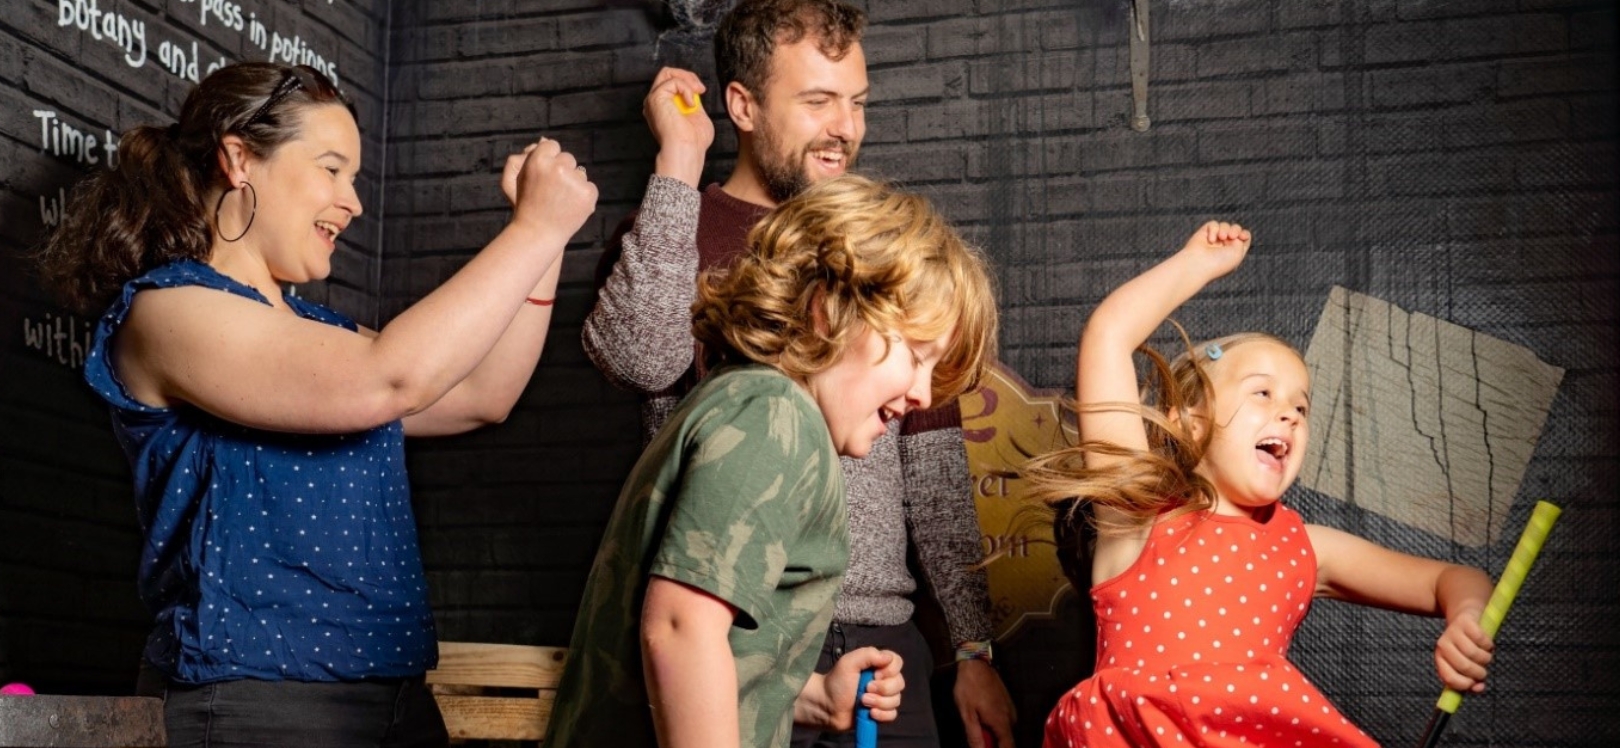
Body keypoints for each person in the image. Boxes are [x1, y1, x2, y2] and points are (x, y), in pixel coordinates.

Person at [35, 62, 596, 746]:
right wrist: (532, 230)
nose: (352, 201)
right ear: (239, 158)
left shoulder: (322, 336)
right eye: (332, 169)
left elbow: (482, 394)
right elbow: (392, 380)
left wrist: (547, 244)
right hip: (254, 706)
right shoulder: (168, 310)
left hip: (391, 705)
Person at [581, 1, 1017, 745]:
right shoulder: (674, 226)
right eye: (818, 101)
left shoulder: (885, 247)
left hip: (880, 642)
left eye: (856, 103)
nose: (844, 126)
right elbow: (639, 360)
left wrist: (970, 651)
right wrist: (679, 166)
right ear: (742, 105)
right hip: (735, 624)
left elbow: (935, 470)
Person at [547, 174, 999, 748]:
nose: (923, 395)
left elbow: (713, 659)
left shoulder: (746, 402)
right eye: (915, 355)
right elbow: (681, 628)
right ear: (827, 310)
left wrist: (807, 695)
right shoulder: (777, 416)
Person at [1022, 222, 1498, 746]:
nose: (1289, 414)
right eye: (1263, 394)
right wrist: (1196, 264)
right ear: (1189, 421)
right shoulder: (1137, 512)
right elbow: (1109, 335)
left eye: (1301, 405)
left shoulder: (1303, 546)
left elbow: (1451, 579)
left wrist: (1467, 616)